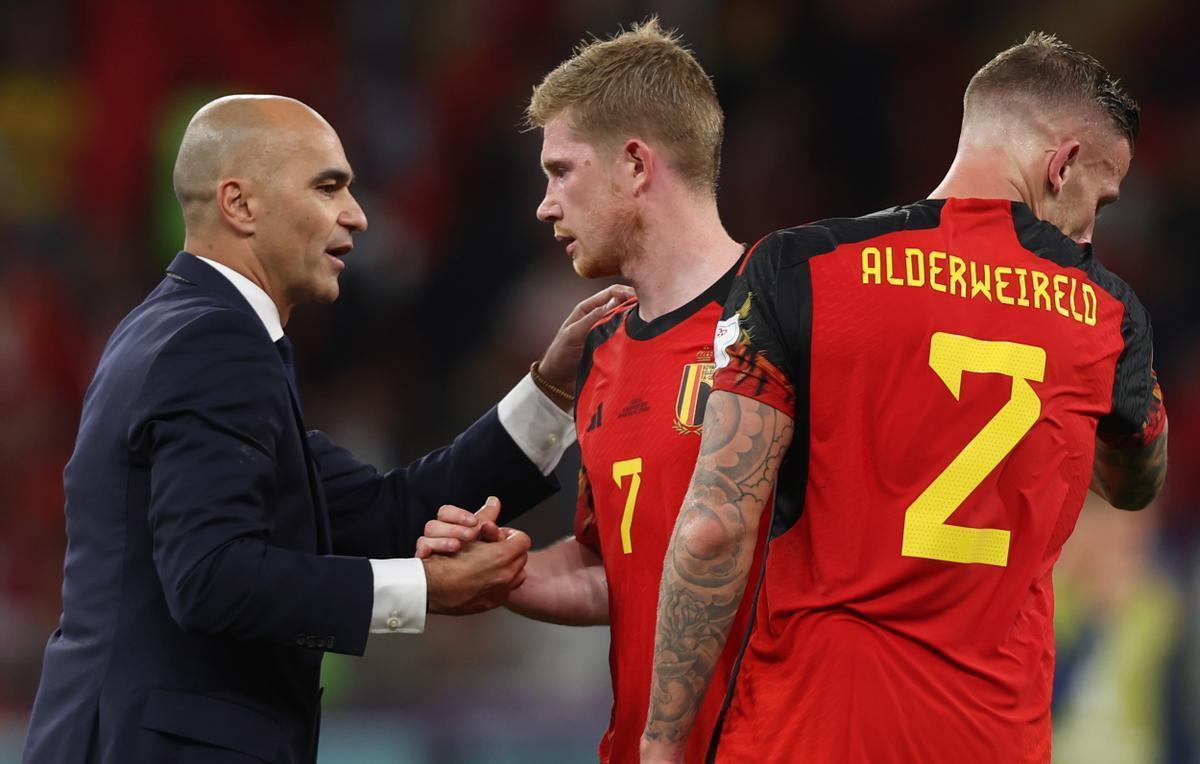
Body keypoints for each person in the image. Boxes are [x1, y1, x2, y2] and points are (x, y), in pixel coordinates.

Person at [22, 94, 629, 764]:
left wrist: (551, 387)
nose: (356, 214)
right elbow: (211, 577)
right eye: (328, 186)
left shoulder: (185, 328)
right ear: (240, 204)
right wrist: (424, 592)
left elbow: (387, 511)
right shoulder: (212, 342)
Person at [641, 32, 1169, 763]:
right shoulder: (1107, 315)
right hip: (992, 739)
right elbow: (1138, 478)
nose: (1090, 229)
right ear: (1064, 164)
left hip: (810, 729)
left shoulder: (799, 267)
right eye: (1099, 199)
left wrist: (661, 742)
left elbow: (714, 529)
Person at [416, 18, 758, 764]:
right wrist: (504, 569)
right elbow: (617, 571)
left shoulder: (789, 315)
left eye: (561, 170)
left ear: (635, 164)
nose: (545, 204)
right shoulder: (602, 349)